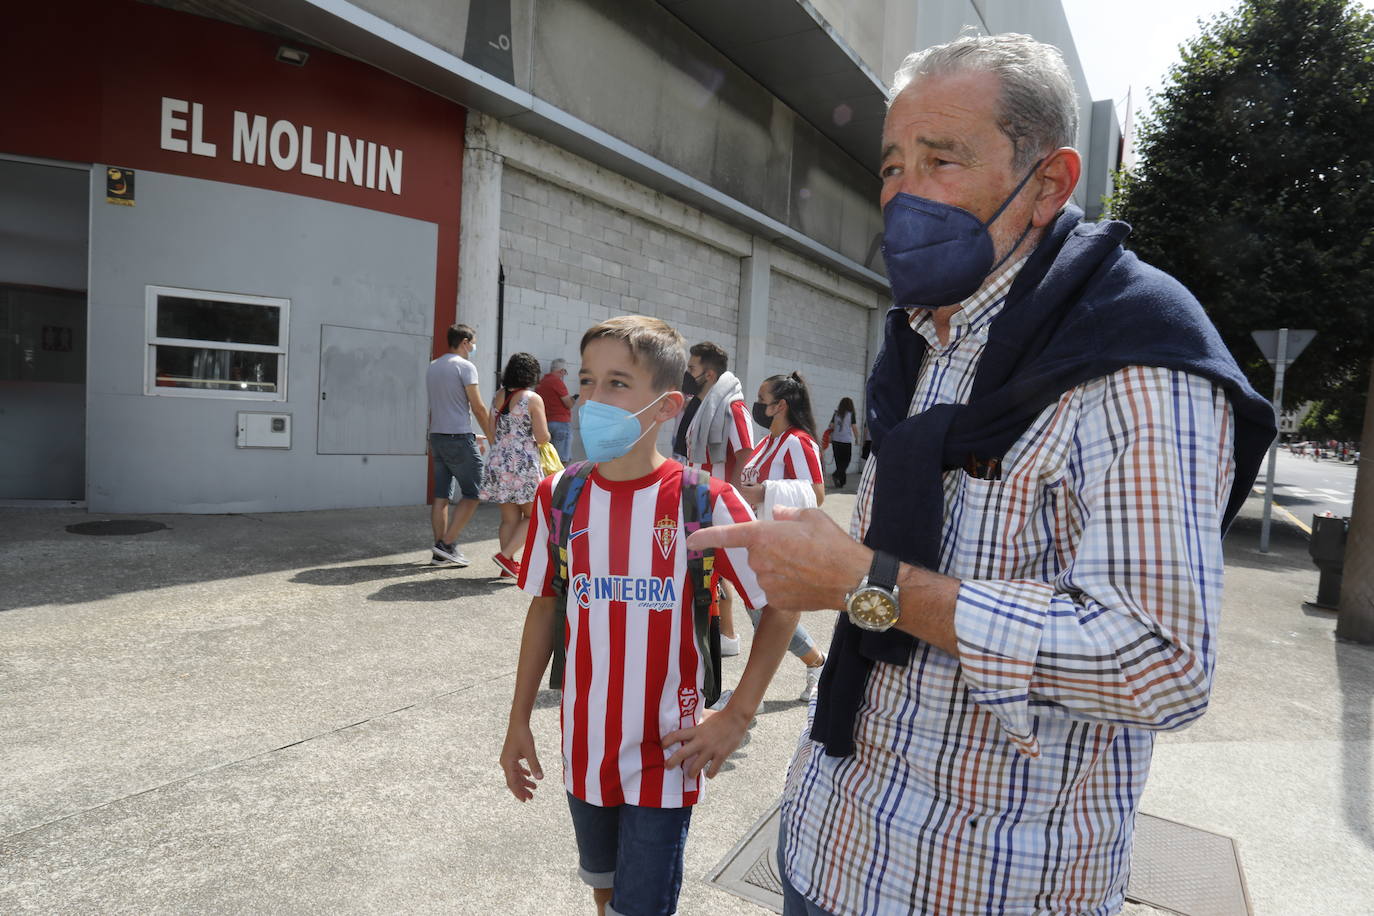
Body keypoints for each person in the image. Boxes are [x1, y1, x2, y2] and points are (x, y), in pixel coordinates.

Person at [685, 32, 1274, 915]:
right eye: (891, 167)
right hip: (828, 843)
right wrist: (838, 578)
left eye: (942, 159)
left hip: (987, 883)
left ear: (1049, 183)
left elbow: (1163, 661)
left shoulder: (1139, 359)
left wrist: (864, 580)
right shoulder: (916, 341)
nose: (903, 195)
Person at [499, 315, 799, 916]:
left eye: (616, 383)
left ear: (666, 406)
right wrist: (518, 722)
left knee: (644, 905)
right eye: (587, 382)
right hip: (583, 749)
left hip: (668, 756)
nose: (592, 400)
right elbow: (545, 607)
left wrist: (737, 714)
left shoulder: (705, 500)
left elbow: (783, 604)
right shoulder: (561, 494)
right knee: (604, 888)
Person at [735, 372, 828, 702]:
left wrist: (766, 491)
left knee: (769, 616)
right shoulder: (766, 443)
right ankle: (818, 663)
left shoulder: (797, 442)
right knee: (762, 614)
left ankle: (750, 694)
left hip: (783, 545)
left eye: (762, 400)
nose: (756, 406)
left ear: (780, 405)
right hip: (758, 542)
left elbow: (816, 493)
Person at [682, 341, 759, 658]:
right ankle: (723, 636)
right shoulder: (704, 406)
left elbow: (745, 456)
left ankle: (810, 656)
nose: (687, 373)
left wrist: (736, 501)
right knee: (709, 576)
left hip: (721, 506)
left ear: (709, 373)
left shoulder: (732, 408)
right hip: (700, 503)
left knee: (754, 591)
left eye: (692, 368)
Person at [425, 323, 494, 567]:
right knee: (475, 493)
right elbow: (478, 407)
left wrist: (472, 434)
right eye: (473, 343)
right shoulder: (465, 367)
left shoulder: (433, 367)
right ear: (465, 342)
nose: (474, 347)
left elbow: (447, 406)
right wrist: (492, 436)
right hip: (457, 438)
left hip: (438, 437)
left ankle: (440, 552)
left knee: (441, 496)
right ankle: (447, 544)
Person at [480, 352, 551, 579]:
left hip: (498, 461)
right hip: (523, 463)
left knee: (509, 518)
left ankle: (507, 567)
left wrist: (503, 449)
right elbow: (542, 437)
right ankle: (506, 555)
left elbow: (491, 430)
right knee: (536, 515)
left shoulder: (498, 395)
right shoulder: (532, 398)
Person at [536, 358, 575, 462]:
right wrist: (573, 400)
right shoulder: (557, 382)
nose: (564, 375)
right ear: (561, 371)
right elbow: (568, 404)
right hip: (561, 423)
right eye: (565, 372)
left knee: (549, 460)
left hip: (546, 423)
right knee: (562, 459)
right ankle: (561, 478)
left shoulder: (541, 383)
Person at [826, 397, 859, 488]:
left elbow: (831, 426)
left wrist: (829, 436)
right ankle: (836, 475)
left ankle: (841, 482)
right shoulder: (851, 414)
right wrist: (857, 438)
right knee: (846, 461)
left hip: (836, 441)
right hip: (846, 441)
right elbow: (854, 427)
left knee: (839, 462)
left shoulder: (836, 413)